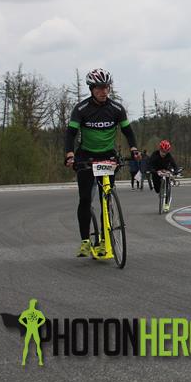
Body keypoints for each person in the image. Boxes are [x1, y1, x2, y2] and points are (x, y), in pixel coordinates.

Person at [64, 68, 139, 258]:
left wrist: (134, 149)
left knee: (106, 198)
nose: (103, 91)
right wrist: (70, 155)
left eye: (106, 87)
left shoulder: (116, 109)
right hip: (86, 157)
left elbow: (128, 131)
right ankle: (85, 241)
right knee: (85, 199)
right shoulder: (81, 109)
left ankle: (106, 239)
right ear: (91, 89)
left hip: (107, 157)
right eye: (99, 88)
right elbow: (70, 134)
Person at [147, 140, 178, 212]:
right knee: (157, 190)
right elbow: (149, 165)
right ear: (160, 149)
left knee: (167, 186)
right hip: (156, 172)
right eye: (163, 151)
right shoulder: (155, 154)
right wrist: (153, 171)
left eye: (166, 152)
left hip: (165, 171)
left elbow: (175, 165)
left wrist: (175, 171)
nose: (164, 153)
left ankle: (166, 204)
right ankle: (160, 191)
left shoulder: (169, 156)